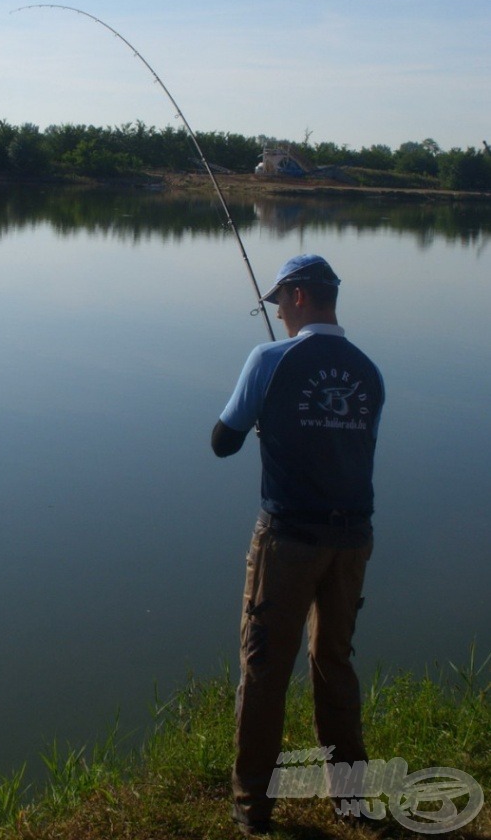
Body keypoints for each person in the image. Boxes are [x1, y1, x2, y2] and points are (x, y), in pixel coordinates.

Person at [211, 254, 385, 835]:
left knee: (264, 670)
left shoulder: (268, 358)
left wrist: (264, 415)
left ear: (301, 297)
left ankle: (252, 805)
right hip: (353, 541)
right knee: (334, 663)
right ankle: (353, 800)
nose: (278, 313)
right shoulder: (367, 371)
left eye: (280, 302)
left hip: (289, 541)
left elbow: (221, 442)